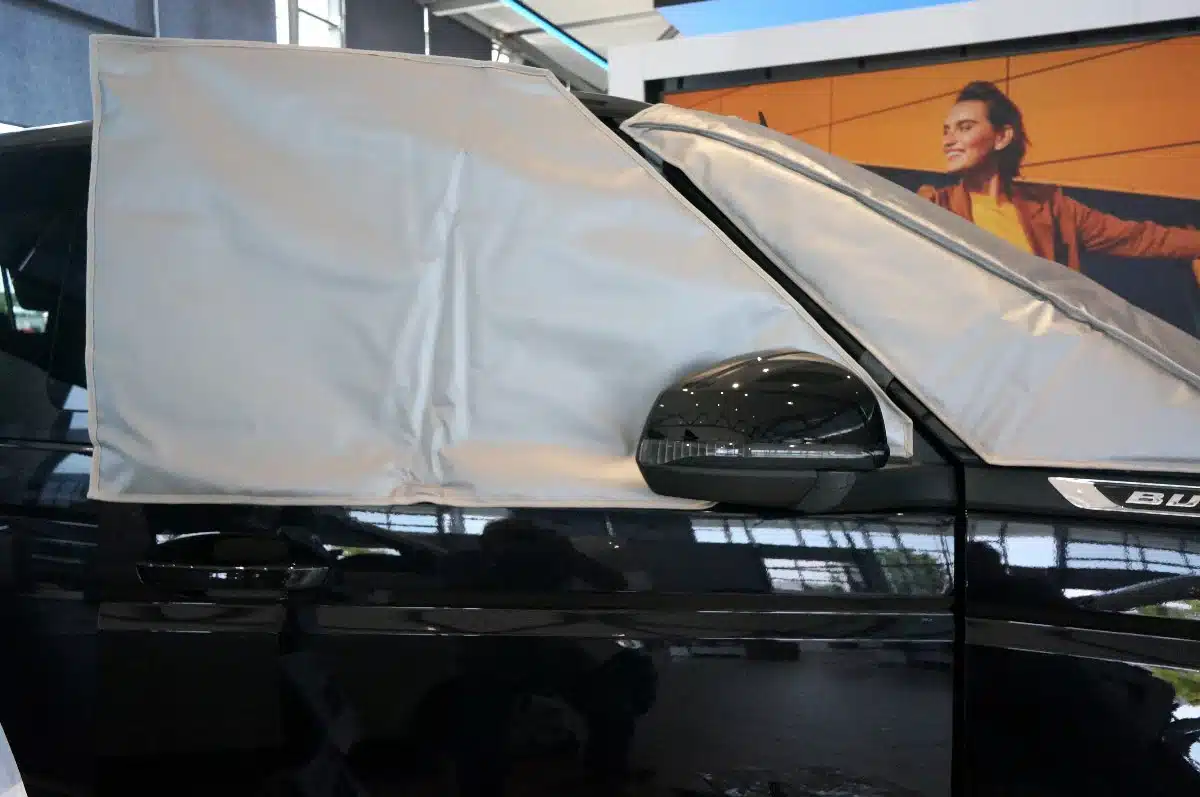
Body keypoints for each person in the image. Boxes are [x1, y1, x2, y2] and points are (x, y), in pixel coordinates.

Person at [920, 81, 1200, 286]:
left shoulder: (1053, 207)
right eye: (946, 131)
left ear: (1002, 137)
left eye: (965, 127)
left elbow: (1139, 237)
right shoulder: (932, 207)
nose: (948, 141)